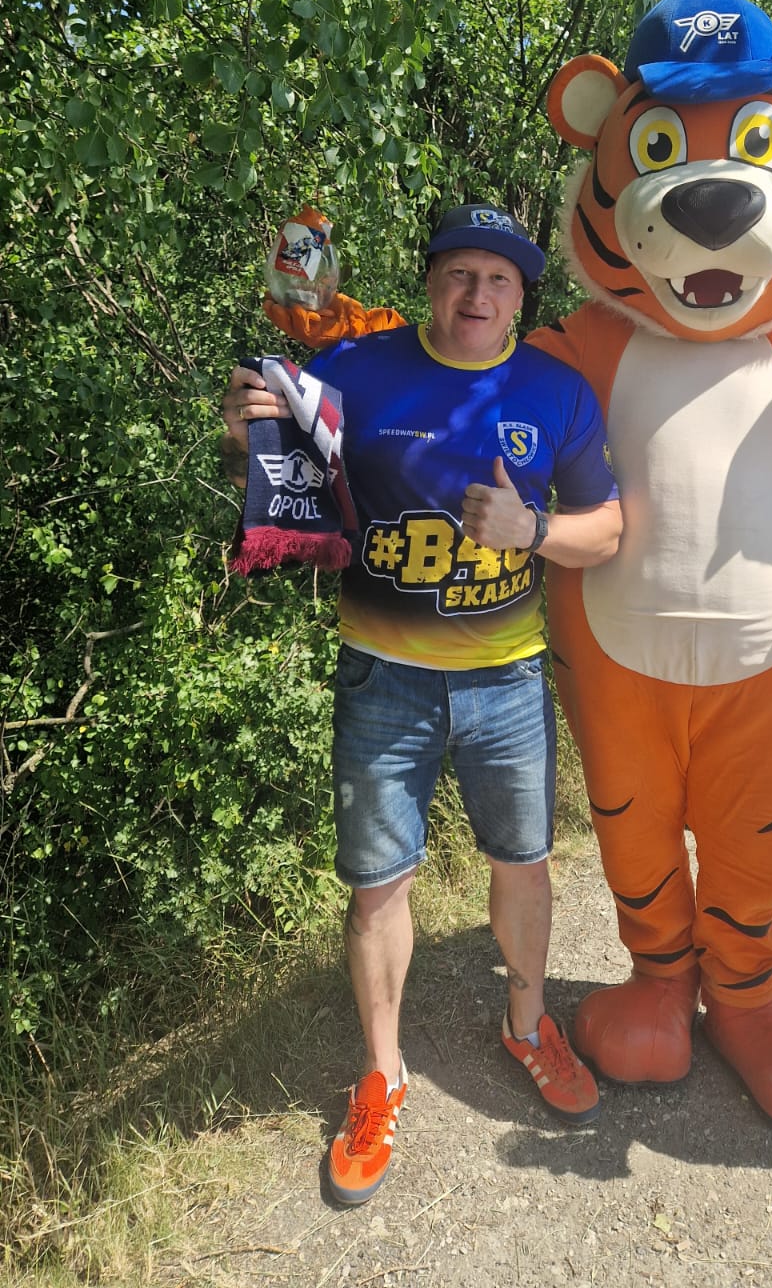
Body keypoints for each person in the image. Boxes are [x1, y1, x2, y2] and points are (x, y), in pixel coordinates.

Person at [220, 204, 622, 1205]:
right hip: (382, 677)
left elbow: (609, 528)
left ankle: (527, 1027)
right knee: (377, 888)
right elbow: (281, 484)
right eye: (460, 274)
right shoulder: (356, 371)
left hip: (507, 679)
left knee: (523, 867)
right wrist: (243, 436)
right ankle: (382, 1075)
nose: (477, 294)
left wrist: (535, 529)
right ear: (431, 281)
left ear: (522, 296)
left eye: (499, 279)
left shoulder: (558, 390)